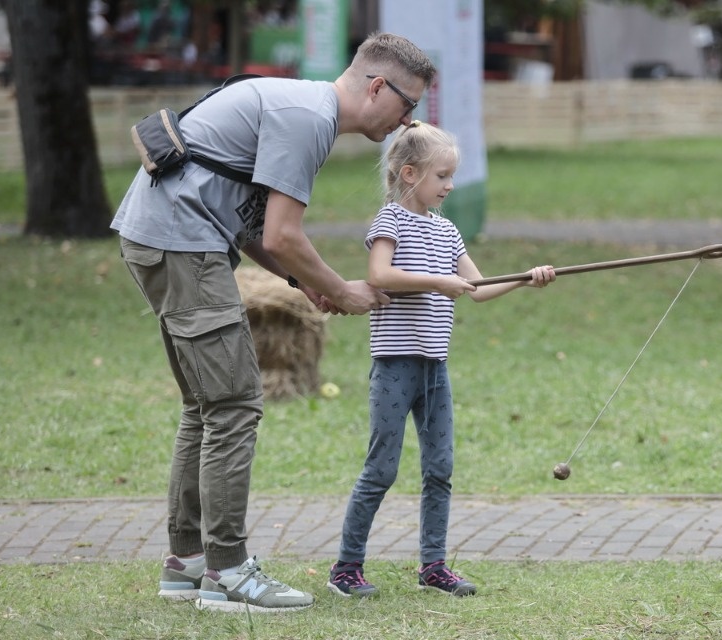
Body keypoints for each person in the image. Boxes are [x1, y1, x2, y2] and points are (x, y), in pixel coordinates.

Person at [111, 32, 436, 613]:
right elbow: (284, 234)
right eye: (408, 105)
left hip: (163, 238)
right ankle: (228, 572)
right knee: (235, 404)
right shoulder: (308, 119)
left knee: (206, 407)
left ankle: (186, 562)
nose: (410, 123)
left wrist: (307, 284)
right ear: (377, 86)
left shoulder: (300, 106)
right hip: (182, 245)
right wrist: (340, 288)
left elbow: (255, 228)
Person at [327, 121, 556, 598]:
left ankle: (434, 565)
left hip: (435, 368)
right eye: (442, 176)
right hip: (396, 365)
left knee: (440, 468)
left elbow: (478, 290)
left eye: (452, 176)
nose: (450, 186)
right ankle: (346, 568)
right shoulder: (390, 220)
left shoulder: (447, 231)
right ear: (409, 173)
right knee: (382, 469)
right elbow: (379, 274)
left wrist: (526, 278)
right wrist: (436, 282)